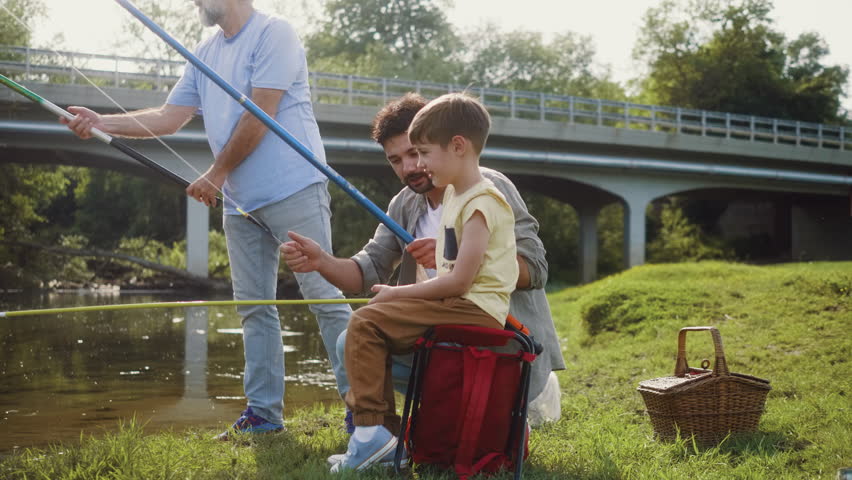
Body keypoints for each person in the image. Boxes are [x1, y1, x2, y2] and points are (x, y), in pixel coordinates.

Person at [60, 0, 351, 440]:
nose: (194, 1)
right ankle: (264, 416)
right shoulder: (204, 52)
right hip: (241, 202)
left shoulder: (276, 34)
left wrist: (216, 174)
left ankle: (364, 409)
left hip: (295, 187)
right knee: (254, 308)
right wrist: (103, 121)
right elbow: (169, 117)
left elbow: (261, 113)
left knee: (323, 300)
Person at [282, 93, 565, 438]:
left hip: (496, 338)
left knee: (367, 325)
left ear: (442, 143)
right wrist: (321, 261)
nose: (409, 168)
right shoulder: (404, 203)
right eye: (395, 160)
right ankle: (379, 431)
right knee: (350, 341)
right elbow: (365, 272)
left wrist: (462, 258)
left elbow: (536, 269)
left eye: (417, 153)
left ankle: (496, 405)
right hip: (444, 330)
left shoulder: (485, 187)